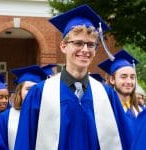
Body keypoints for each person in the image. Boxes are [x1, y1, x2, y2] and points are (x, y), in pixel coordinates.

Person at [15, 4, 133, 150]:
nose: (85, 50)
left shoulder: (107, 95)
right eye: (78, 43)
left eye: (91, 45)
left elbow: (126, 142)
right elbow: (24, 143)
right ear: (63, 46)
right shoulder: (39, 94)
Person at [0, 65, 46, 150]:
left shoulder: (49, 115)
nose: (32, 92)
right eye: (28, 89)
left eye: (36, 88)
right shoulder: (5, 118)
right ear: (20, 92)